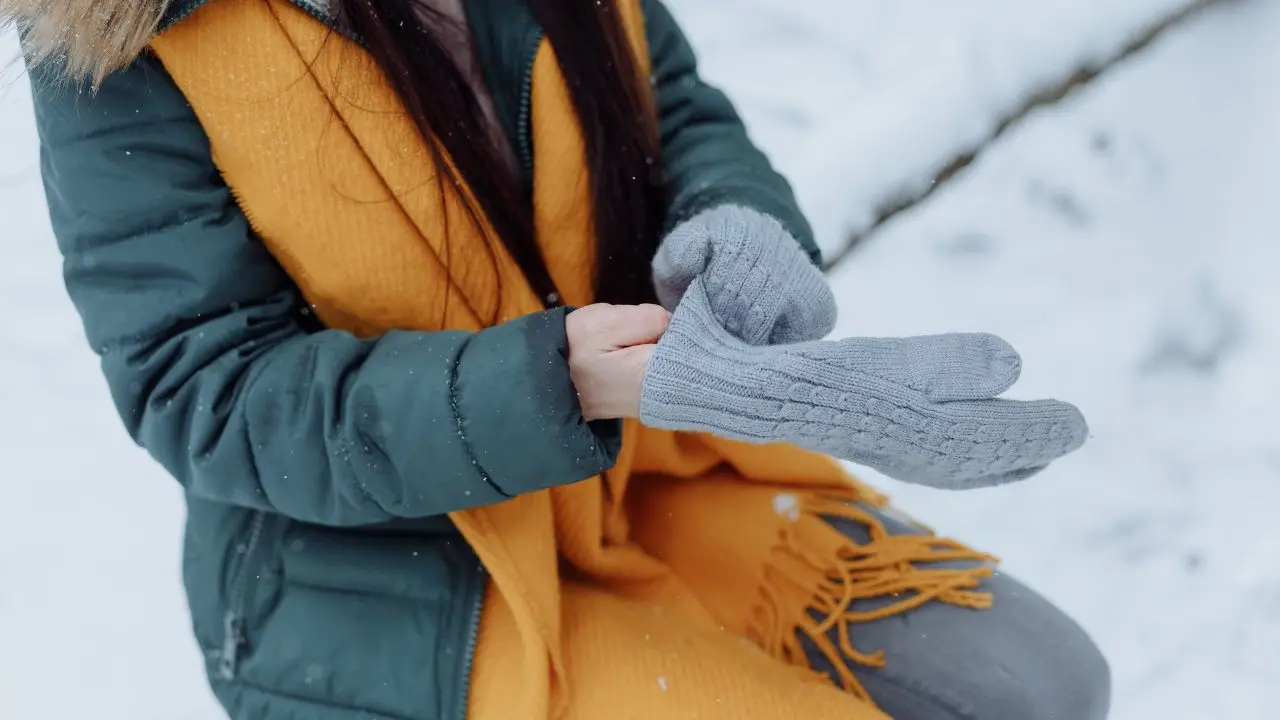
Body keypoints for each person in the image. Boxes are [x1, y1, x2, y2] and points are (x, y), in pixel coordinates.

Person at [14, 0, 1111, 717]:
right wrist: (554, 382)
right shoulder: (118, 40)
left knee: (1043, 686)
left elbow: (670, 105)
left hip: (652, 459)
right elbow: (205, 392)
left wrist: (730, 223)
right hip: (394, 583)